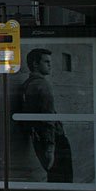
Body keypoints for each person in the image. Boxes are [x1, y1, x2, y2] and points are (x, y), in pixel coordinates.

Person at [20, 48, 72, 182]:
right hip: (54, 138)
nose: (50, 65)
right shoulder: (43, 85)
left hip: (40, 137)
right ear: (35, 64)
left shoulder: (28, 84)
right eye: (46, 62)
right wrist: (50, 147)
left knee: (54, 175)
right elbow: (48, 117)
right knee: (63, 177)